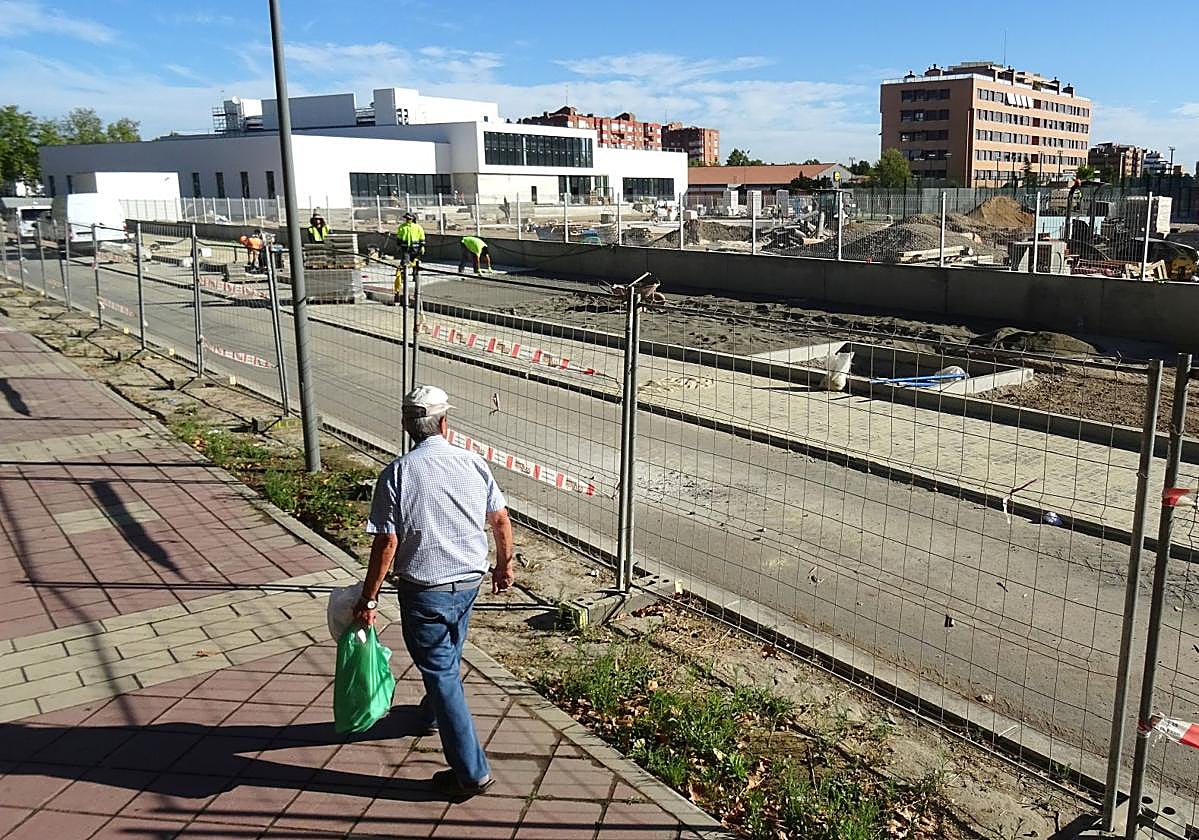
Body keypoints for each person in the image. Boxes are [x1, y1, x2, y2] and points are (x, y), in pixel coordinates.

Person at [355, 385, 515, 800]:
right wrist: (504, 565)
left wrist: (369, 598)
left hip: (424, 590)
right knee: (448, 653)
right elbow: (500, 520)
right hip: (469, 582)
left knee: (442, 671)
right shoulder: (473, 463)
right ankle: (431, 712)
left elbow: (387, 542)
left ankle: (471, 772)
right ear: (444, 423)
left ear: (408, 426)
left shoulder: (397, 474)